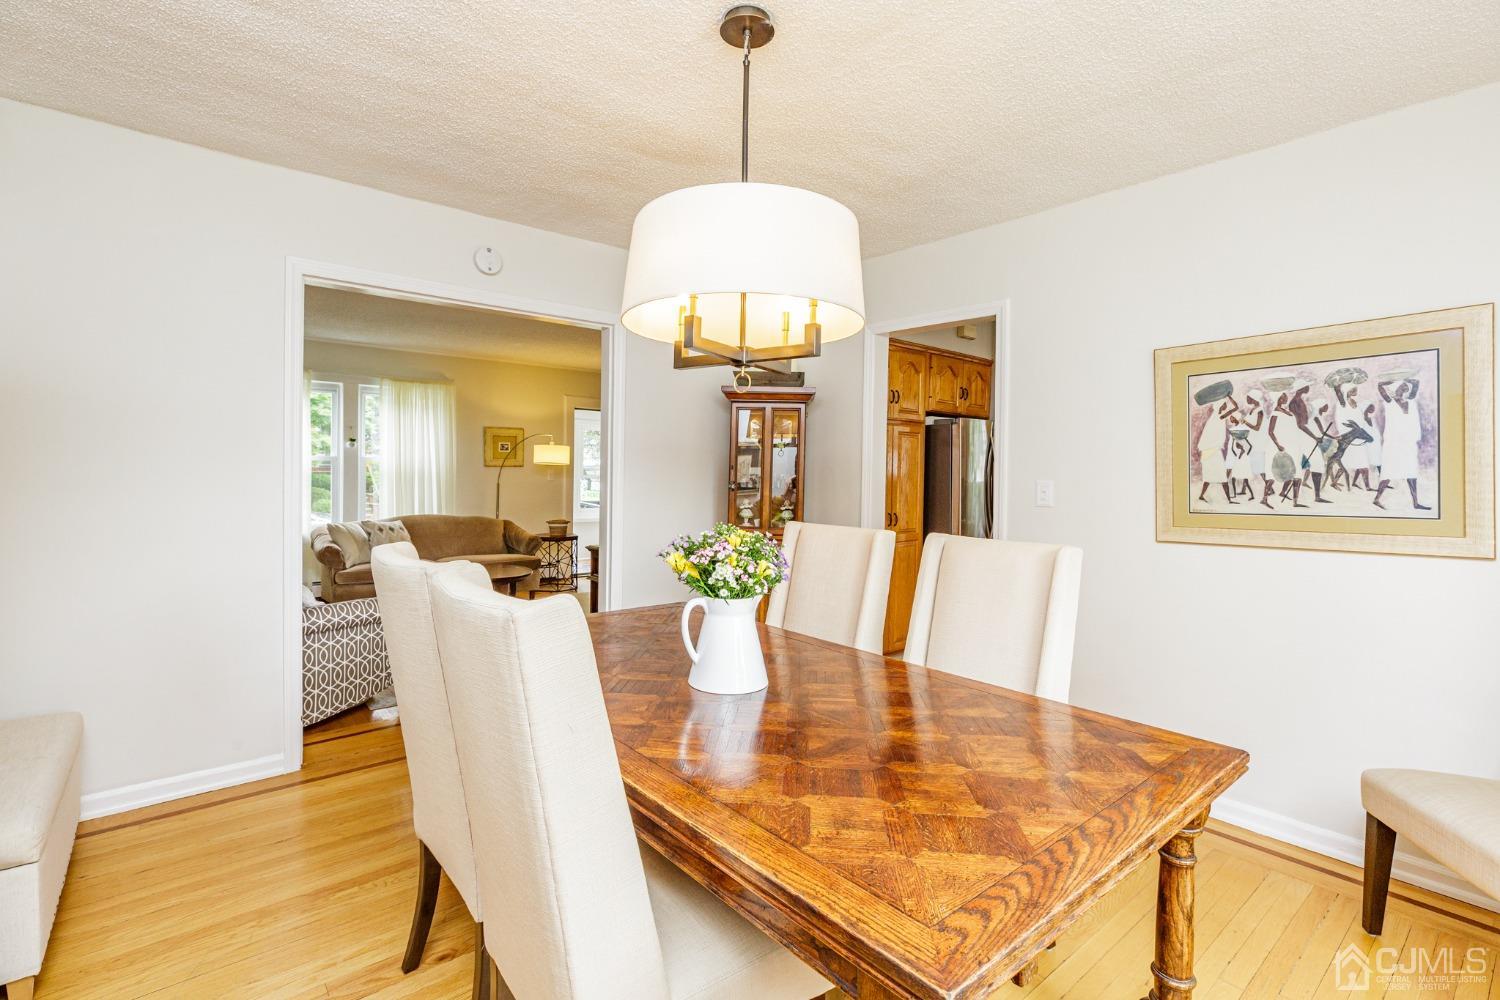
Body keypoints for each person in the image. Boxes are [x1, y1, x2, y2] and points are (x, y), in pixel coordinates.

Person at [1373, 377, 1428, 511]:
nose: (1404, 388)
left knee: (1411, 471)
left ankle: (1416, 503)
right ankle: (1377, 499)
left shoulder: (1410, 401)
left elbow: (1416, 383)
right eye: (1401, 386)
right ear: (1395, 389)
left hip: (1408, 443)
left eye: (1405, 387)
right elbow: (1380, 385)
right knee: (1389, 471)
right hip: (1393, 443)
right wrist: (1392, 380)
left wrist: (1406, 378)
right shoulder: (1389, 402)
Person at [1288, 384, 1331, 504]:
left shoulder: (1300, 400)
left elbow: (1306, 421)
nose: (1308, 388)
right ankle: (1296, 500)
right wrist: (1315, 437)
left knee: (1318, 464)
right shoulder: (1294, 403)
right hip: (1300, 435)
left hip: (1305, 435)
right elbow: (1300, 425)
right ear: (1300, 387)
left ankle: (1316, 496)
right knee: (1300, 466)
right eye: (1306, 386)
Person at [1265, 391, 1307, 508]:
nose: (1286, 398)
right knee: (1273, 473)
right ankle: (1264, 499)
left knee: (1297, 472)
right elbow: (1270, 431)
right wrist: (1278, 445)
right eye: (1283, 396)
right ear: (1278, 398)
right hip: (1282, 446)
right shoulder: (1275, 412)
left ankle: (1295, 501)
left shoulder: (1288, 412)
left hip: (1293, 446)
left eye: (1285, 396)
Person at [1194, 393, 1238, 505]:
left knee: (1210, 476)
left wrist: (1227, 398)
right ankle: (1229, 500)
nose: (1225, 406)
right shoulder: (1219, 416)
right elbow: (1236, 407)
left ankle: (1202, 496)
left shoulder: (1215, 417)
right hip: (1212, 451)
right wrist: (1229, 397)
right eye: (1223, 404)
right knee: (1220, 476)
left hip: (1209, 451)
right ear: (1219, 406)